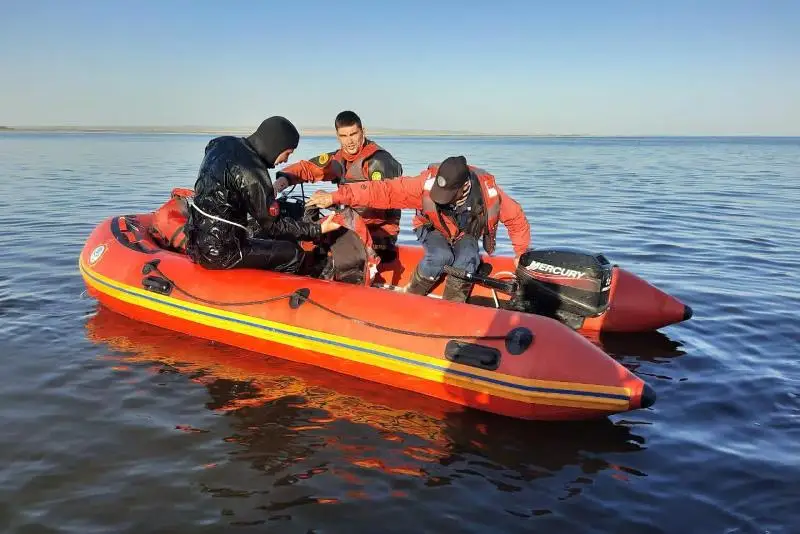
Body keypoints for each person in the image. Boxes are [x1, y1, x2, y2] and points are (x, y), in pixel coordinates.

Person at [305, 156, 531, 302]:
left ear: (464, 187)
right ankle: (411, 298)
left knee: (467, 260)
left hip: (464, 232)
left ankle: (452, 307)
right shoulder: (424, 185)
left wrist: (520, 253)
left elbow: (516, 218)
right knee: (440, 256)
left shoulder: (488, 193)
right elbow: (383, 190)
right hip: (432, 227)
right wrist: (335, 195)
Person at [184, 116, 340, 273]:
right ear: (276, 145)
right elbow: (274, 225)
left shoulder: (220, 143)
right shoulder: (253, 171)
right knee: (293, 253)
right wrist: (317, 229)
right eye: (287, 153)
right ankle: (274, 294)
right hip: (222, 252)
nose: (285, 160)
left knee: (259, 232)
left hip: (195, 241)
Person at [273, 110, 404, 262]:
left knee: (328, 225)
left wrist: (334, 200)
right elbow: (309, 168)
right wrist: (282, 180)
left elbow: (378, 201)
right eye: (344, 136)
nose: (349, 141)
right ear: (337, 136)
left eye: (353, 134)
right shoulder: (339, 158)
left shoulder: (380, 161)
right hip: (350, 222)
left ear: (363, 132)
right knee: (310, 210)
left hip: (379, 231)